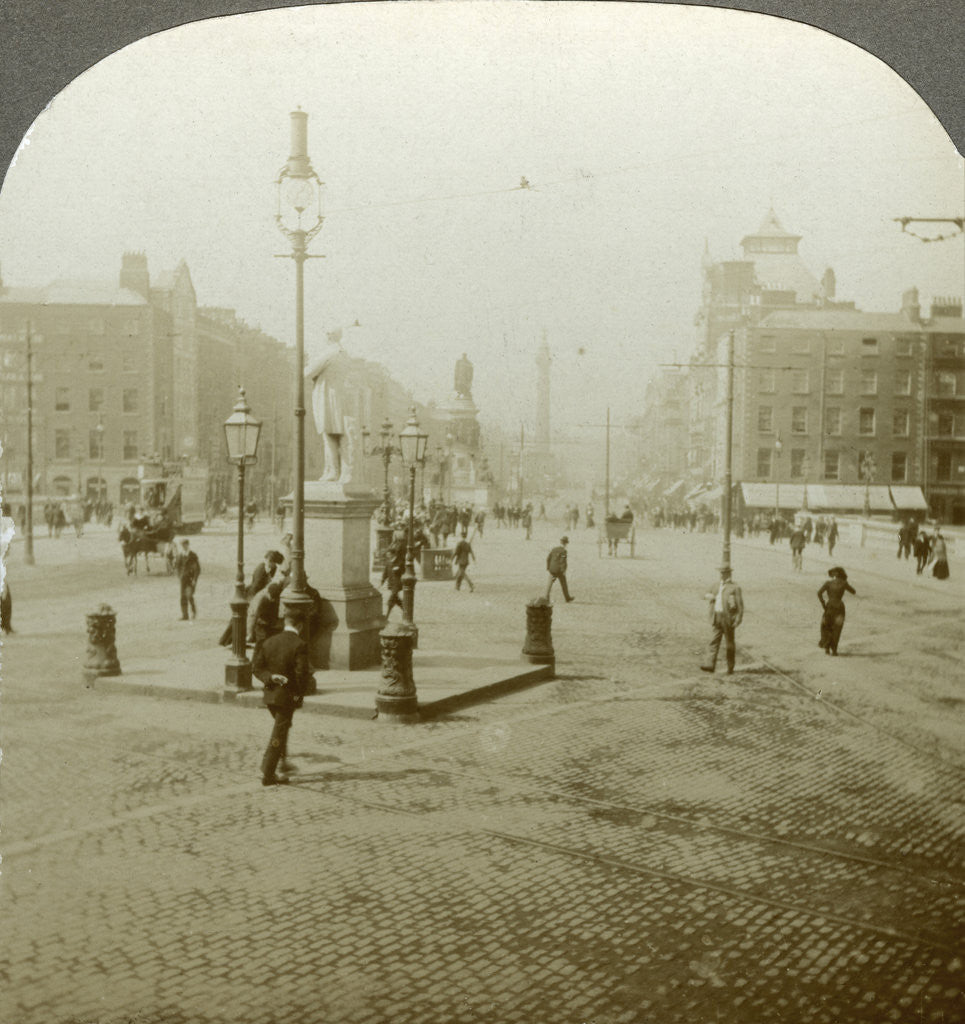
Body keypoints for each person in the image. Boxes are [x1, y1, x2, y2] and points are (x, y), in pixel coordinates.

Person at [252, 611, 312, 786]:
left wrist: (270, 677)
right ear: (299, 626)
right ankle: (268, 772)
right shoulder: (299, 644)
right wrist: (298, 695)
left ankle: (283, 763)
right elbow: (301, 675)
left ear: (285, 622)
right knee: (279, 731)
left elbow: (256, 668)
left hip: (270, 696)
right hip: (287, 697)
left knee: (283, 727)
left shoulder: (269, 641)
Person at [700, 565, 744, 675]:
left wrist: (738, 618)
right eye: (720, 572)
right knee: (713, 641)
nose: (721, 575)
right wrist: (707, 596)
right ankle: (710, 665)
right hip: (716, 617)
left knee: (729, 643)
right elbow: (703, 594)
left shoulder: (734, 587)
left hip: (728, 618)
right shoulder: (715, 585)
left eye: (723, 573)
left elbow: (740, 605)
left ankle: (730, 667)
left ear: (729, 574)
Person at [817, 567, 856, 655]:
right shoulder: (844, 583)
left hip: (829, 606)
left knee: (827, 626)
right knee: (837, 628)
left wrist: (823, 604)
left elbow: (819, 593)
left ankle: (827, 648)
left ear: (834, 575)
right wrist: (845, 584)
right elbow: (853, 591)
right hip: (840, 607)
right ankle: (834, 650)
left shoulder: (828, 583)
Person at [248, 579, 285, 654]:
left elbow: (276, 613)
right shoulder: (263, 600)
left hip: (269, 626)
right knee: (261, 645)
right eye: (272, 597)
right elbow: (254, 616)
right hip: (261, 626)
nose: (273, 599)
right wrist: (250, 633)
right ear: (268, 593)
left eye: (275, 598)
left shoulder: (275, 600)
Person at [175, 539, 201, 621]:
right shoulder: (180, 555)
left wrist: (194, 579)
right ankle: (185, 615)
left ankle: (193, 611)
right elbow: (177, 566)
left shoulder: (193, 555)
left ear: (188, 545)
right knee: (183, 596)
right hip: (183, 579)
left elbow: (198, 569)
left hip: (190, 579)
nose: (183, 547)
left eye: (185, 545)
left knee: (189, 595)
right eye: (182, 545)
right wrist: (179, 575)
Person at [546, 536, 574, 603]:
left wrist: (548, 567)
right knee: (564, 584)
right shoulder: (564, 551)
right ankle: (567, 598)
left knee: (549, 584)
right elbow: (562, 561)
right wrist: (563, 570)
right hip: (559, 571)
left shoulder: (554, 549)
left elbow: (548, 558)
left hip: (552, 570)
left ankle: (546, 597)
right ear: (565, 543)